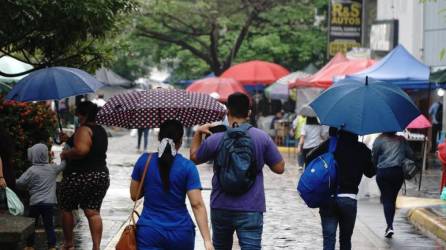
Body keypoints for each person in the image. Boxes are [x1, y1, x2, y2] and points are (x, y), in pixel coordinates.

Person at [190, 92, 285, 250]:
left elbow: (194, 158)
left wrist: (198, 133)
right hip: (252, 207)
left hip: (221, 205)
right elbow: (280, 168)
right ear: (249, 112)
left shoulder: (217, 138)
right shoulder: (262, 138)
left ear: (227, 111)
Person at [130, 120, 213, 250]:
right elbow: (197, 205)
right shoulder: (188, 167)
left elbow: (134, 195)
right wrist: (207, 240)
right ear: (180, 141)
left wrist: (152, 184)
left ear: (159, 138)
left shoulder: (144, 161)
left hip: (149, 232)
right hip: (180, 233)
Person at [306, 128, 375, 250]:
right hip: (349, 199)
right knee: (345, 240)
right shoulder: (362, 149)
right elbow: (370, 172)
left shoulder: (330, 145)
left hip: (328, 198)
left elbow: (309, 157)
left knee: (328, 239)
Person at [58, 101, 109, 250]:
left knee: (67, 208)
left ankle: (69, 244)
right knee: (93, 212)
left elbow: (81, 150)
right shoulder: (100, 130)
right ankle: (96, 247)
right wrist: (68, 139)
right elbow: (91, 148)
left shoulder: (84, 129)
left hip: (79, 176)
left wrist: (65, 153)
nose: (77, 117)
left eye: (79, 115)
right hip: (100, 175)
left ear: (84, 114)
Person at [17, 143, 66, 250]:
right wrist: (63, 157)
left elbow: (20, 182)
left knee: (31, 226)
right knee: (49, 226)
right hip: (49, 203)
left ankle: (30, 246)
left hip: (35, 203)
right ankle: (52, 246)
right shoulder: (52, 168)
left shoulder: (31, 170)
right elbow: (63, 166)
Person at [372, 132, 414, 238]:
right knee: (392, 200)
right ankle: (389, 226)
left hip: (383, 172)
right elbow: (410, 155)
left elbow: (374, 157)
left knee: (387, 199)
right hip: (397, 172)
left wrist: (375, 168)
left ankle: (389, 226)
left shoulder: (379, 140)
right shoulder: (401, 140)